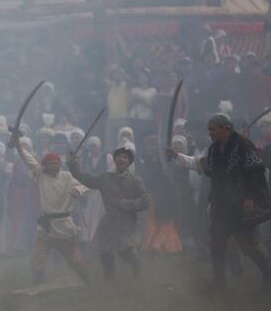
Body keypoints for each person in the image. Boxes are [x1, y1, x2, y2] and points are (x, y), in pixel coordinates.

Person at [167, 115, 271, 292]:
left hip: (241, 206)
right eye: (209, 130)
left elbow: (257, 172)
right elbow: (200, 165)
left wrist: (250, 198)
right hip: (221, 205)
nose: (210, 133)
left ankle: (268, 275)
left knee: (248, 247)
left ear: (226, 128)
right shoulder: (214, 149)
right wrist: (177, 155)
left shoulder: (243, 145)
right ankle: (219, 283)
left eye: (213, 129)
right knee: (216, 243)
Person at [10, 134, 90, 285]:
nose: (53, 166)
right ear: (45, 166)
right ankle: (38, 285)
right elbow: (29, 160)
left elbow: (82, 187)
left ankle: (88, 282)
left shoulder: (66, 176)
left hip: (64, 225)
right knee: (37, 259)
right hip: (46, 226)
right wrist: (19, 147)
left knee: (74, 259)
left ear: (60, 164)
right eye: (50, 164)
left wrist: (77, 191)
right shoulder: (40, 175)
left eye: (56, 163)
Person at [68, 147, 149, 281]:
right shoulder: (105, 178)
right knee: (104, 251)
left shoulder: (136, 181)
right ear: (114, 159)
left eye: (125, 157)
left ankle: (136, 270)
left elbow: (145, 201)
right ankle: (109, 280)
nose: (121, 159)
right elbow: (86, 179)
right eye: (119, 157)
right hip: (109, 220)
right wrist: (74, 164)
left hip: (126, 221)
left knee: (126, 252)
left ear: (129, 162)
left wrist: (126, 204)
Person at [138, 135, 183, 255]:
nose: (152, 148)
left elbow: (170, 178)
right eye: (149, 146)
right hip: (152, 196)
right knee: (152, 221)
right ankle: (152, 244)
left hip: (165, 195)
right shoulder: (144, 162)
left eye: (154, 146)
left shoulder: (166, 161)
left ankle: (163, 244)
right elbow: (145, 179)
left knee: (166, 221)